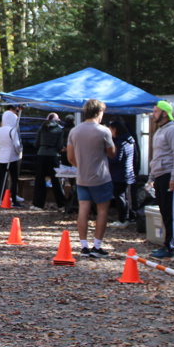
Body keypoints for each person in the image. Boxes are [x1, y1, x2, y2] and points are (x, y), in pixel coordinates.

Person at [67, 99, 116, 257]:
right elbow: (112, 153)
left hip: (82, 177)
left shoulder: (74, 131)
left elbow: (70, 157)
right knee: (102, 211)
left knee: (83, 210)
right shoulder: (104, 131)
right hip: (101, 177)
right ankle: (97, 246)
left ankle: (83, 246)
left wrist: (81, 166)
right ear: (98, 112)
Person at [146, 100, 174, 261]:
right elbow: (157, 156)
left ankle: (171, 247)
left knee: (171, 213)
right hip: (160, 175)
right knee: (164, 211)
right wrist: (151, 177)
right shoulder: (159, 131)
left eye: (156, 111)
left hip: (170, 175)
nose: (153, 114)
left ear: (164, 113)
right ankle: (166, 243)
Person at [107, 119, 138, 228]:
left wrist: (106, 158)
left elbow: (117, 159)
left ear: (115, 130)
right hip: (128, 172)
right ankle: (128, 217)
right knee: (126, 197)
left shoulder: (120, 142)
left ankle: (123, 219)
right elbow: (135, 157)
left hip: (119, 174)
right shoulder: (129, 140)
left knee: (120, 197)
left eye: (111, 130)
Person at [32, 113, 66, 210]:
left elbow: (36, 144)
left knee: (39, 179)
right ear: (57, 121)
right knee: (56, 180)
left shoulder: (41, 128)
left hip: (41, 154)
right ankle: (61, 204)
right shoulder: (59, 130)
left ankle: (38, 204)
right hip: (53, 156)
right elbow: (60, 146)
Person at [0, 106, 23, 207]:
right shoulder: (13, 130)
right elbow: (17, 145)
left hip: (2, 157)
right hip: (12, 157)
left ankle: (2, 197)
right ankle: (14, 200)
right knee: (14, 179)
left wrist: (1, 150)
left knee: (3, 178)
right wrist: (18, 152)